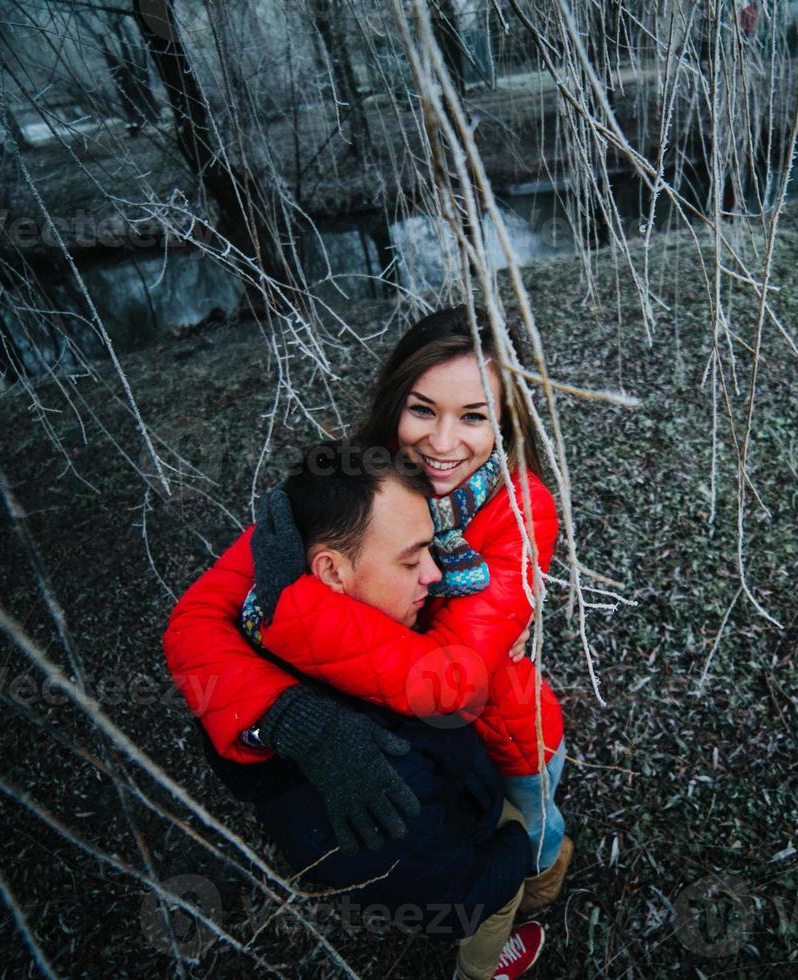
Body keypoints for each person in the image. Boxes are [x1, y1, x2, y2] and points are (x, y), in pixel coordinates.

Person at [167, 442, 544, 980]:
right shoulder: (375, 755)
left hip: (446, 804)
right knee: (492, 912)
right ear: (330, 572)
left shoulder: (253, 647)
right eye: (412, 560)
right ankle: (482, 971)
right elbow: (450, 890)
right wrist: (513, 851)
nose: (435, 575)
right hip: (469, 852)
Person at [240, 307, 573, 911]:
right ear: (396, 403)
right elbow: (197, 622)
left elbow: (449, 680)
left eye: (474, 417)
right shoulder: (355, 478)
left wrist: (291, 606)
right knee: (462, 839)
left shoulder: (522, 510)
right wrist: (284, 713)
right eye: (423, 409)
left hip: (509, 737)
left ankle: (540, 889)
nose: (442, 444)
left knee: (532, 831)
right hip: (419, 750)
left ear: (505, 422)